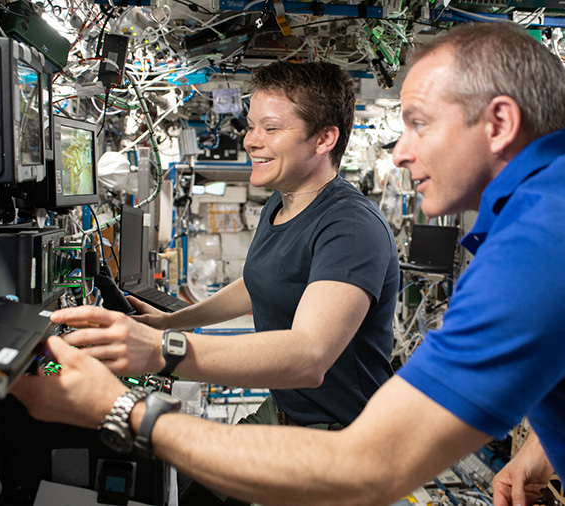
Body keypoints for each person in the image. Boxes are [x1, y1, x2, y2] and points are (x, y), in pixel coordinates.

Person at [13, 22, 565, 506]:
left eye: (418, 124)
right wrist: (549, 449)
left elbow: (370, 467)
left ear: (498, 122)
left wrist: (124, 407)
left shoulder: (548, 245)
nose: (398, 151)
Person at [41, 61, 400, 504]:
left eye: (271, 128)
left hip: (345, 439)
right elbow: (260, 283)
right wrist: (174, 323)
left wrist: (161, 352)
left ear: (325, 138)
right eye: (251, 126)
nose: (251, 141)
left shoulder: (350, 227)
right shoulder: (282, 202)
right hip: (287, 413)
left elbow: (309, 357)